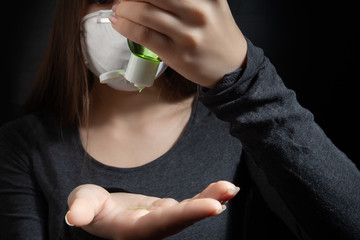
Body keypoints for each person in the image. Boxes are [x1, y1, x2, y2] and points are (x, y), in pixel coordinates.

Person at [0, 0, 359, 239]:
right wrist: (88, 228)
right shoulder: (22, 144)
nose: (128, 18)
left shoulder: (234, 127)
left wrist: (243, 81)